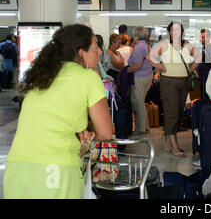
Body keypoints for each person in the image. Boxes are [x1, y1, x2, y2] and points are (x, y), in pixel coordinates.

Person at [3, 24, 113, 199]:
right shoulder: (89, 78)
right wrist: (90, 134)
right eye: (95, 46)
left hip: (17, 167)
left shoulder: (43, 76)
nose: (99, 52)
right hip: (54, 170)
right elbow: (106, 133)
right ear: (81, 52)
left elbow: (52, 117)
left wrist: (81, 130)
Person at [147, 21, 201, 157]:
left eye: (177, 30)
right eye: (172, 30)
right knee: (172, 113)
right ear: (169, 32)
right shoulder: (164, 44)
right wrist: (160, 67)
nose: (174, 32)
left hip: (183, 82)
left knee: (178, 111)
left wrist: (191, 69)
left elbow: (199, 57)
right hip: (169, 82)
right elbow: (149, 57)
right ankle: (174, 145)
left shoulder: (186, 44)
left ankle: (168, 141)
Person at [127, 26, 153, 135]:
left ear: (136, 36)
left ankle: (140, 129)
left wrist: (126, 70)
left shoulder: (138, 47)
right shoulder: (147, 46)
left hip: (139, 76)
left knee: (138, 102)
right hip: (148, 75)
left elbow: (137, 65)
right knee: (141, 101)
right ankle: (145, 126)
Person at [197, 29, 211, 101]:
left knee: (205, 99)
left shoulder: (209, 49)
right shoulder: (204, 49)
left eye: (203, 37)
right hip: (203, 78)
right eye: (201, 37)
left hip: (206, 78)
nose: (201, 39)